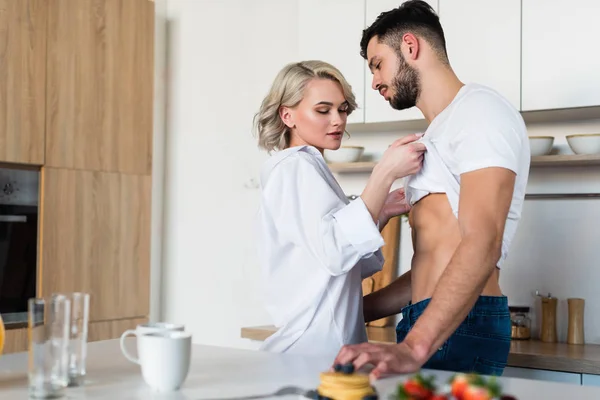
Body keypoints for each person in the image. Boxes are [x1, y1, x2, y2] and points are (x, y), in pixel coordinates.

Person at [333, 0, 530, 378]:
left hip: (461, 323)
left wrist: (414, 346)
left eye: (377, 64)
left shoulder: (480, 112)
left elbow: (482, 242)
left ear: (410, 47)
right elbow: (432, 267)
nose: (373, 80)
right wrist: (353, 311)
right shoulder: (441, 129)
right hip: (433, 319)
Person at [253, 60, 426, 356]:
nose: (338, 120)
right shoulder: (296, 167)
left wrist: (380, 212)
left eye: (342, 109)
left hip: (326, 346)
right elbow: (337, 252)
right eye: (323, 110)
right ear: (287, 115)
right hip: (312, 350)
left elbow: (341, 266)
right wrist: (384, 173)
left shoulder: (308, 169)